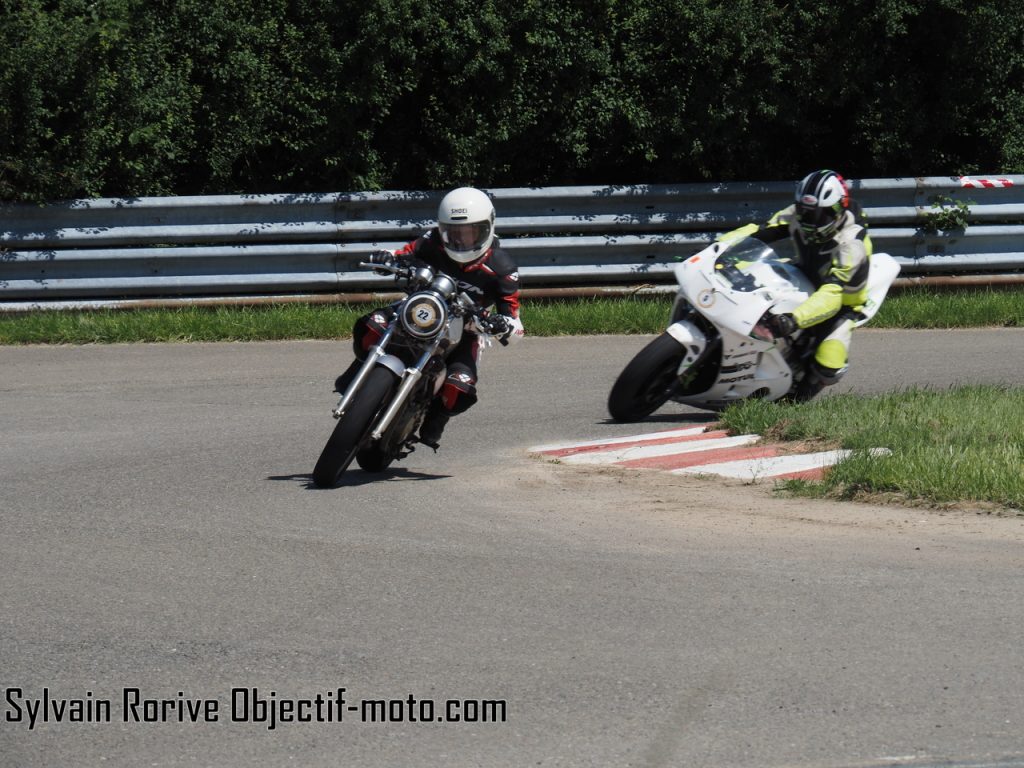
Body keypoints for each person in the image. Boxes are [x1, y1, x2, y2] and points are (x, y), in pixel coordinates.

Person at [336, 186, 524, 449]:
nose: (461, 241)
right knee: (372, 326)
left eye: (471, 233)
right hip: (420, 308)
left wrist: (501, 325)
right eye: (454, 233)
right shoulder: (432, 240)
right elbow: (401, 253)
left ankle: (436, 421)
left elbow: (516, 326)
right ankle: (357, 376)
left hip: (467, 328)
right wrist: (385, 258)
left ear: (488, 228)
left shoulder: (503, 268)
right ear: (442, 228)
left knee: (461, 386)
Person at [720, 169, 872, 401]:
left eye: (817, 215)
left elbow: (833, 294)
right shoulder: (796, 215)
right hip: (802, 274)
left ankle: (796, 400)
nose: (809, 220)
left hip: (841, 303)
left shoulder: (852, 244)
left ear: (837, 210)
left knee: (829, 366)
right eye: (805, 211)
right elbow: (760, 233)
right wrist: (718, 248)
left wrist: (794, 319)